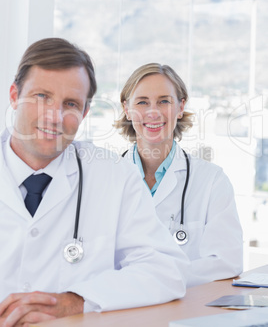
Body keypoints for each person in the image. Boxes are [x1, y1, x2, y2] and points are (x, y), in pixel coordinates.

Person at [0, 40, 190, 327]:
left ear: (85, 112)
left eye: (71, 104)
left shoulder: (114, 175)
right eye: (42, 97)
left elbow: (167, 270)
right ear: (15, 96)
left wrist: (77, 301)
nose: (55, 116)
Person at [115, 63, 243, 287]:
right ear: (127, 108)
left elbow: (227, 261)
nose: (153, 112)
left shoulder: (212, 181)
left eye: (164, 101)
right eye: (142, 102)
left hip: (184, 311)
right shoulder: (106, 179)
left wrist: (154, 278)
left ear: (181, 106)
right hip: (119, 310)